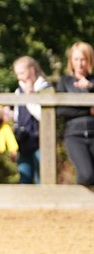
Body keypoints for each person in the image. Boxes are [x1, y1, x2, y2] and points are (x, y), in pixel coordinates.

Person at [56, 41, 94, 185]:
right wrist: (88, 109)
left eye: (83, 59)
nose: (80, 64)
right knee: (87, 175)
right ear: (71, 61)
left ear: (89, 60)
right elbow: (61, 110)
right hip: (75, 135)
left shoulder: (92, 82)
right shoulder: (64, 82)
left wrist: (90, 87)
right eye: (76, 59)